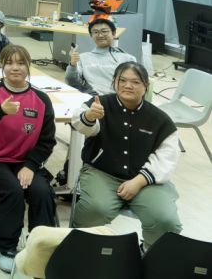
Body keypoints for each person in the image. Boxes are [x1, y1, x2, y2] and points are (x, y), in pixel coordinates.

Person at [70, 61, 181, 248]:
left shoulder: (160, 119)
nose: (128, 85)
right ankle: (85, 251)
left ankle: (151, 255)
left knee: (164, 218)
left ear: (146, 86)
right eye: (122, 80)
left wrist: (139, 181)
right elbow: (82, 126)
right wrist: (89, 116)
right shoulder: (99, 104)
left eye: (135, 82)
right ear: (114, 82)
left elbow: (167, 157)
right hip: (102, 173)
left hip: (146, 180)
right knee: (95, 209)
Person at [0, 45, 56, 273]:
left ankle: (41, 245)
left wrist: (30, 166)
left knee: (42, 191)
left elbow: (47, 141)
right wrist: (0, 110)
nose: (15, 68)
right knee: (13, 191)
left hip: (23, 161)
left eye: (20, 63)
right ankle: (6, 246)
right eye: (9, 63)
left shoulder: (41, 99)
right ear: (2, 65)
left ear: (28, 66)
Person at [65, 17, 136, 96]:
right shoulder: (82, 58)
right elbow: (72, 82)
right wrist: (72, 65)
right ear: (91, 35)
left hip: (118, 99)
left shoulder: (127, 59)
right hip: (93, 98)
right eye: (95, 32)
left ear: (114, 33)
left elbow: (134, 85)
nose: (100, 35)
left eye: (104, 31)